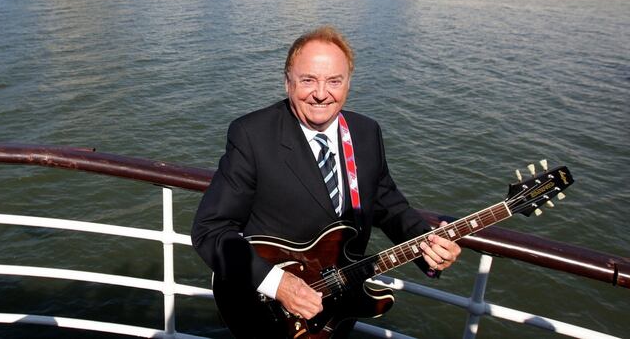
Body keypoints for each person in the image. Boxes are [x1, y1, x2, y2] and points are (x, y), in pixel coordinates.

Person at [191, 26, 461, 337]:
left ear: (348, 83)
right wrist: (278, 284)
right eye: (308, 80)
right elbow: (210, 230)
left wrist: (428, 243)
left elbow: (388, 203)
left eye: (334, 81)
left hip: (338, 306)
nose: (321, 93)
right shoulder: (253, 135)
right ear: (288, 82)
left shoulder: (366, 132)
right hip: (269, 311)